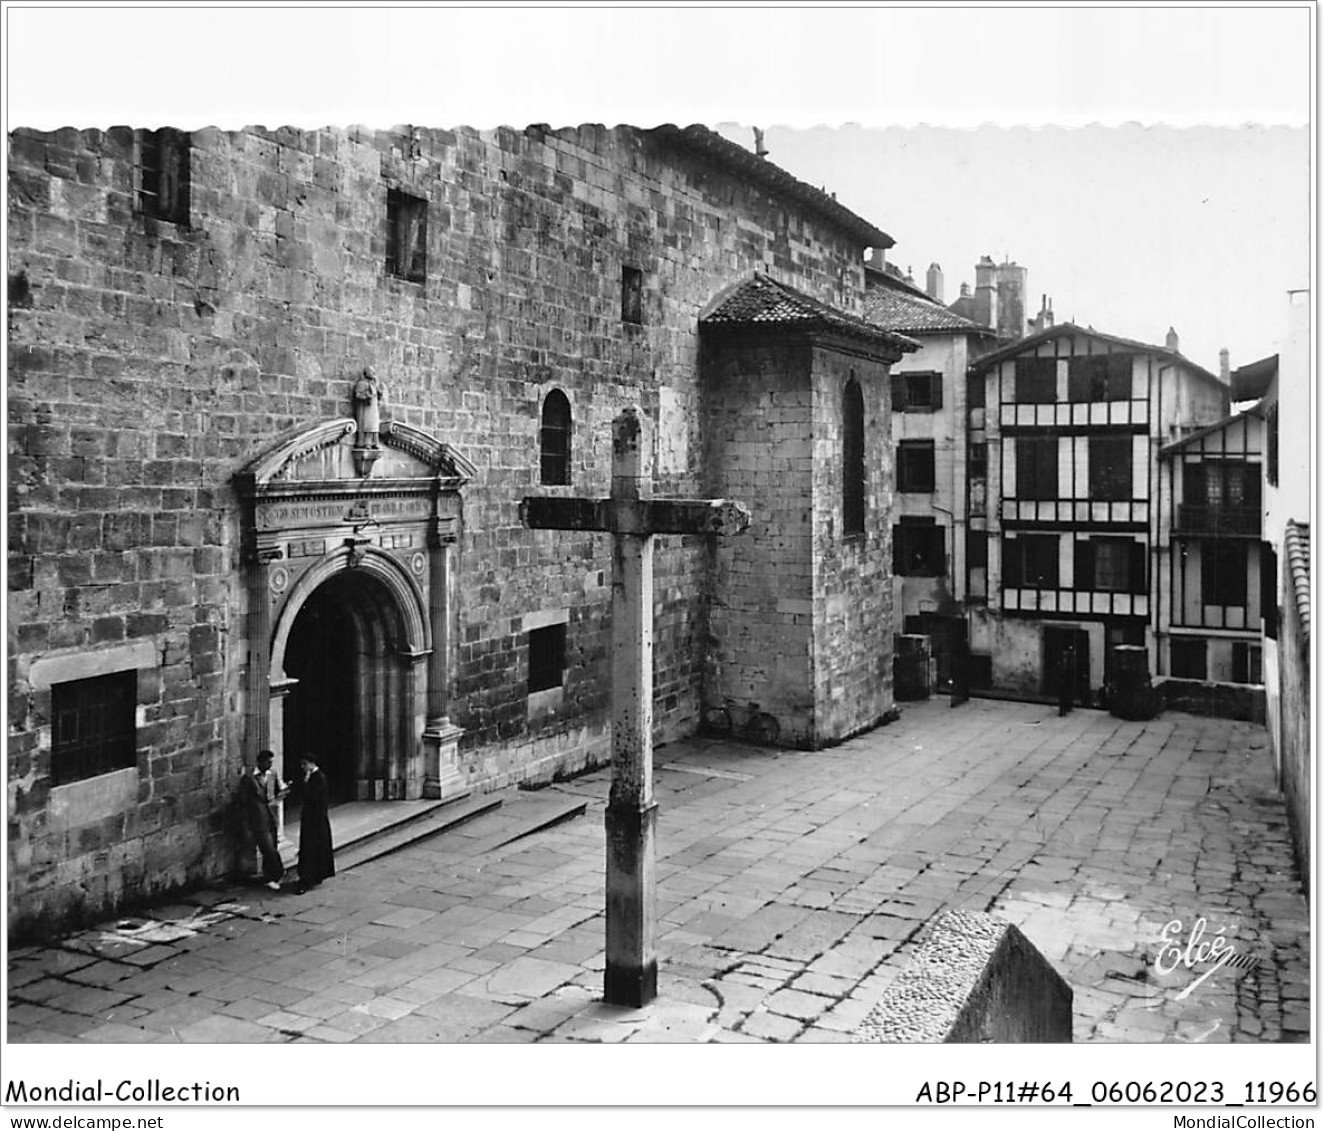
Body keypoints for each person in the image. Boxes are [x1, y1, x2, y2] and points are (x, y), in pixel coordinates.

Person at [236, 750, 286, 890]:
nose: (270, 765)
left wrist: (282, 794)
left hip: (271, 816)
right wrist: (246, 823)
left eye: (271, 762)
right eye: (267, 762)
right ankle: (278, 872)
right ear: (260, 762)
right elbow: (243, 801)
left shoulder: (273, 775)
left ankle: (269, 876)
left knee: (272, 846)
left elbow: (277, 791)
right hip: (257, 819)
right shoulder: (249, 779)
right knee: (268, 848)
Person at [295, 754, 335, 895]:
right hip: (312, 819)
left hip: (316, 820)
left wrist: (306, 785)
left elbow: (314, 799)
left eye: (304, 764)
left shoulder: (318, 778)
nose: (303, 767)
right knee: (310, 848)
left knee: (312, 848)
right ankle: (313, 875)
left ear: (311, 763)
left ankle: (309, 877)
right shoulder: (312, 777)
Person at [1057, 646, 1076, 716]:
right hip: (1064, 680)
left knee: (1065, 695)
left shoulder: (1068, 661)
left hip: (1066, 680)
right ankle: (1065, 709)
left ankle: (1066, 707)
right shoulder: (1069, 661)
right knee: (1064, 695)